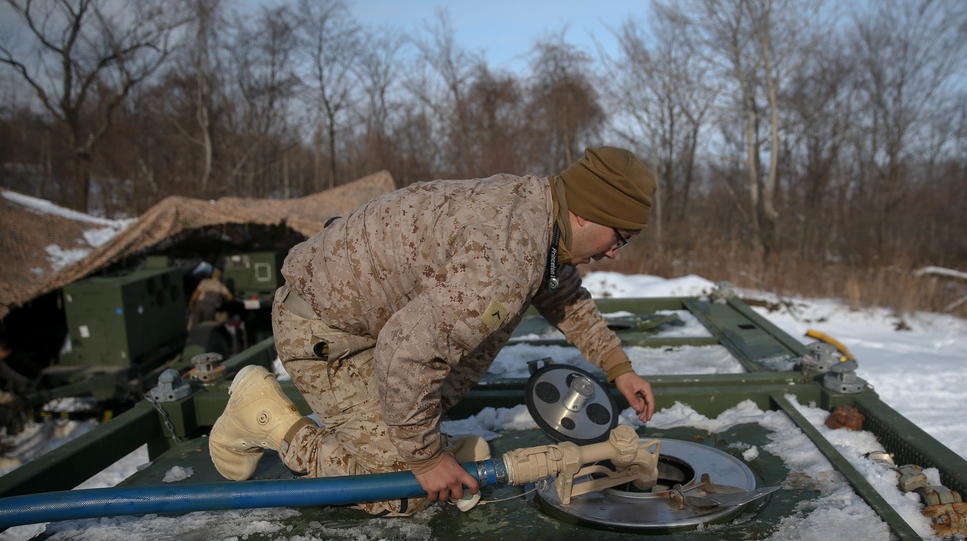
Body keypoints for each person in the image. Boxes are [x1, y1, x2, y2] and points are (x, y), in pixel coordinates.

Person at [209, 146, 658, 516]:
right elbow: (407, 355)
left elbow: (561, 293)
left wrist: (618, 367)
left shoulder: (538, 208)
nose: (616, 253)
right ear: (587, 214)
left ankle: (408, 437)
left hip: (371, 322)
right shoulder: (507, 257)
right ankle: (270, 421)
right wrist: (425, 459)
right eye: (620, 238)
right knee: (401, 491)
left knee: (436, 376)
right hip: (323, 334)